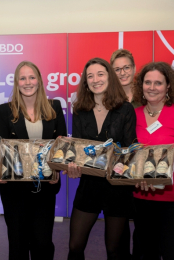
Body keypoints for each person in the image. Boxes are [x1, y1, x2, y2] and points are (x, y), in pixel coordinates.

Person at [0, 61, 67, 260]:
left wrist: (57, 170)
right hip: (14, 189)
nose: (28, 82)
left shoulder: (54, 106)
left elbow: (61, 143)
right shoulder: (4, 111)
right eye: (23, 78)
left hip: (44, 186)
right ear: (17, 83)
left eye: (32, 77)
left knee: (42, 243)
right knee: (17, 244)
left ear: (39, 81)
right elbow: (1, 147)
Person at [67, 58, 136, 260]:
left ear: (109, 77)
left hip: (117, 188)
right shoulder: (79, 109)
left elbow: (130, 148)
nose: (95, 79)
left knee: (115, 249)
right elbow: (79, 149)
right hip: (89, 184)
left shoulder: (125, 109)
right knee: (75, 245)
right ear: (85, 81)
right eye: (90, 76)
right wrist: (73, 165)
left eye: (100, 74)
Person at [132, 62, 174, 260]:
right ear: (141, 85)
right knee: (145, 253)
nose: (152, 87)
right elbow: (126, 155)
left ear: (168, 86)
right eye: (147, 82)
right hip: (141, 198)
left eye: (158, 83)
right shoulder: (133, 115)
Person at [110, 49, 140, 260]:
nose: (122, 73)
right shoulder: (108, 99)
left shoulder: (147, 95)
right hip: (118, 173)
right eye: (117, 69)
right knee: (119, 236)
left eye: (126, 67)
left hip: (141, 172)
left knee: (144, 231)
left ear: (134, 68)